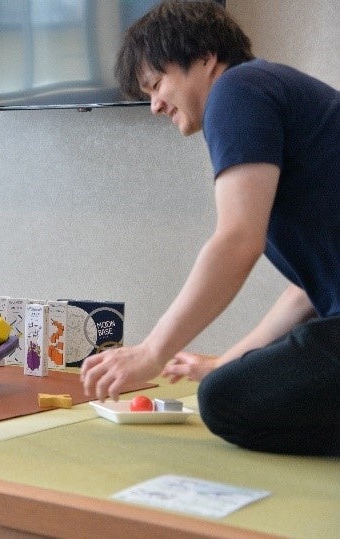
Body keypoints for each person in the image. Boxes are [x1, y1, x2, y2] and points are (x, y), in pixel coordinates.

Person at [80, 1, 339, 456]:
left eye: (156, 84)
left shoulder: (237, 89)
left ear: (205, 58)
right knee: (228, 382)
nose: (155, 105)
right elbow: (304, 294)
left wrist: (151, 352)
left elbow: (237, 240)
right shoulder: (268, 91)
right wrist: (225, 361)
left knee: (226, 401)